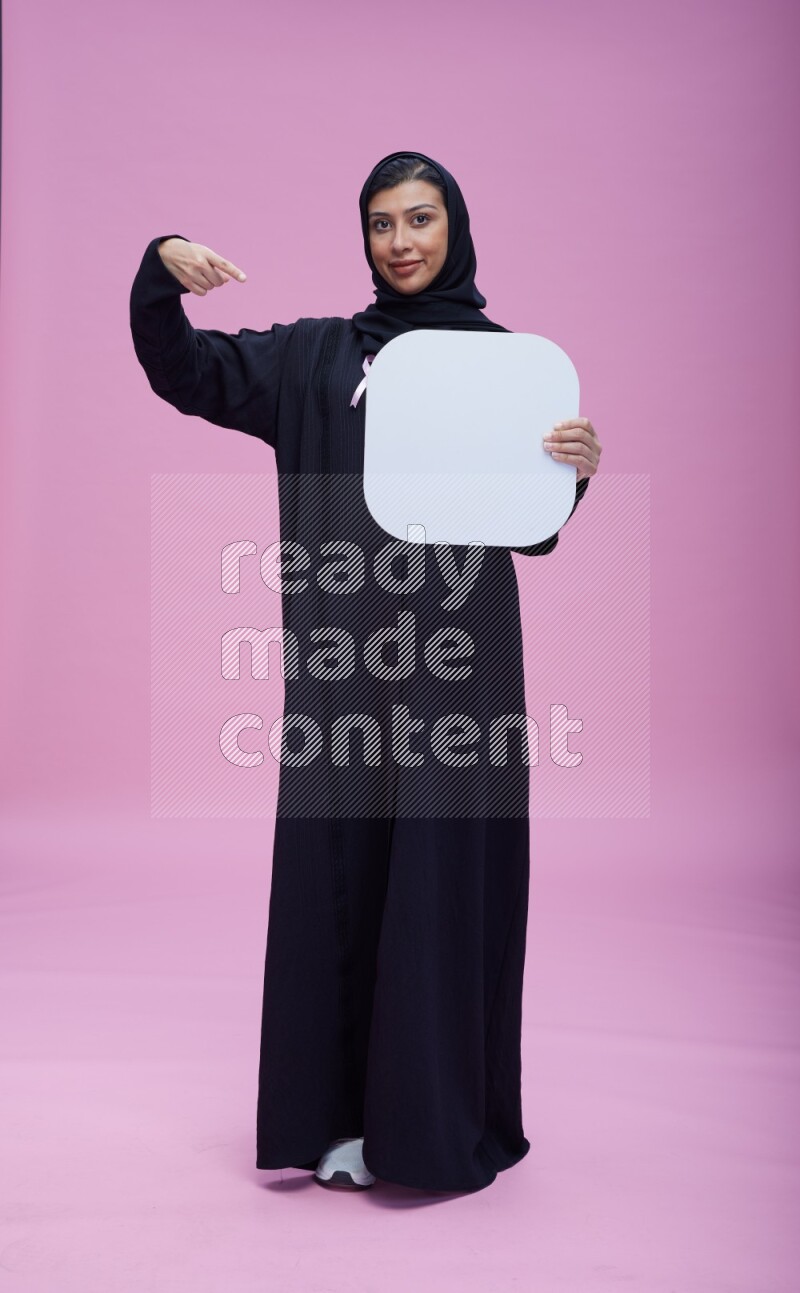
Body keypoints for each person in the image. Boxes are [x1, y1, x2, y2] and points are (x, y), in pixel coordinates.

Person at [129, 150, 602, 1195]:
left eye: (420, 219)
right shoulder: (314, 359)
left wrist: (569, 473)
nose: (401, 241)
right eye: (382, 223)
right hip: (343, 674)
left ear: (454, 227)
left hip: (457, 680)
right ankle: (338, 1124)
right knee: (340, 883)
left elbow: (530, 532)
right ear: (365, 238)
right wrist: (161, 272)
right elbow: (184, 370)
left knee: (439, 887)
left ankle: (431, 1130)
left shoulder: (509, 368)